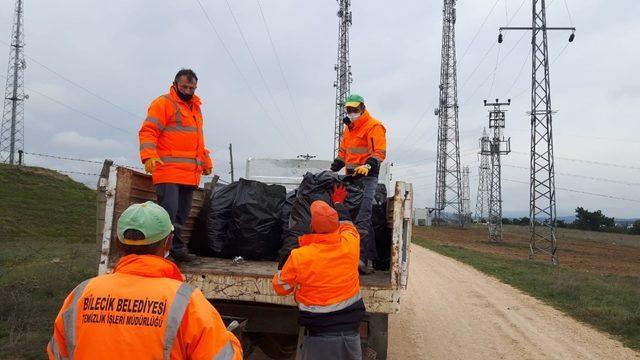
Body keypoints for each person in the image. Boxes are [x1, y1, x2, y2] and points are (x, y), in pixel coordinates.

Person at [46, 201, 242, 360]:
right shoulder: (186, 302)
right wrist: (230, 339)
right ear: (169, 242)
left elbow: (58, 353)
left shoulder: (81, 293)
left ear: (117, 243)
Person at [272, 185, 365, 360]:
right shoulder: (350, 244)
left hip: (319, 337)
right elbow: (348, 225)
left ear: (311, 225)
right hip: (351, 334)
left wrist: (282, 265)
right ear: (336, 225)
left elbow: (280, 288)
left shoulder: (300, 256)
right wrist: (338, 203)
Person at [138, 69, 213, 262]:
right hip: (168, 171)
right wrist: (148, 156)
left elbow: (197, 140)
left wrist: (205, 162)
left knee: (181, 217)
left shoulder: (195, 108)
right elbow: (148, 131)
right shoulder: (164, 103)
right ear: (175, 84)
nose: (188, 91)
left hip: (188, 174)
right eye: (184, 87)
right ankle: (163, 254)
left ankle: (177, 250)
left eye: (192, 88)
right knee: (167, 216)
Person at [330, 94, 387, 274]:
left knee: (363, 216)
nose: (352, 112)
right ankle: (364, 257)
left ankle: (360, 260)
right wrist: (337, 163)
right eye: (349, 110)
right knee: (350, 216)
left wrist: (369, 164)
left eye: (355, 109)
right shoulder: (349, 129)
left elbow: (379, 152)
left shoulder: (374, 126)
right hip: (351, 178)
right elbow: (343, 151)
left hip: (367, 177)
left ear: (362, 108)